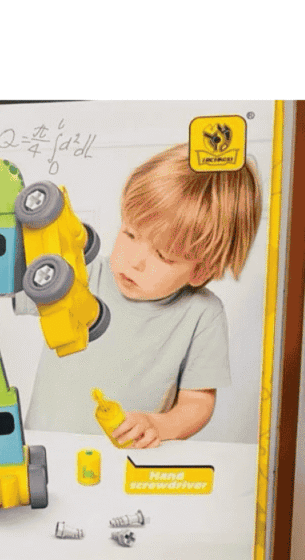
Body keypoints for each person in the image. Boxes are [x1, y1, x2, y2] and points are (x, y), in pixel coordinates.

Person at [18, 143, 262, 448]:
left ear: (201, 271)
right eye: (130, 234)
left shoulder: (202, 314)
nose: (135, 260)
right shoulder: (79, 271)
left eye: (163, 256)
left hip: (128, 458)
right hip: (44, 447)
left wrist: (160, 425)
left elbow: (197, 402)